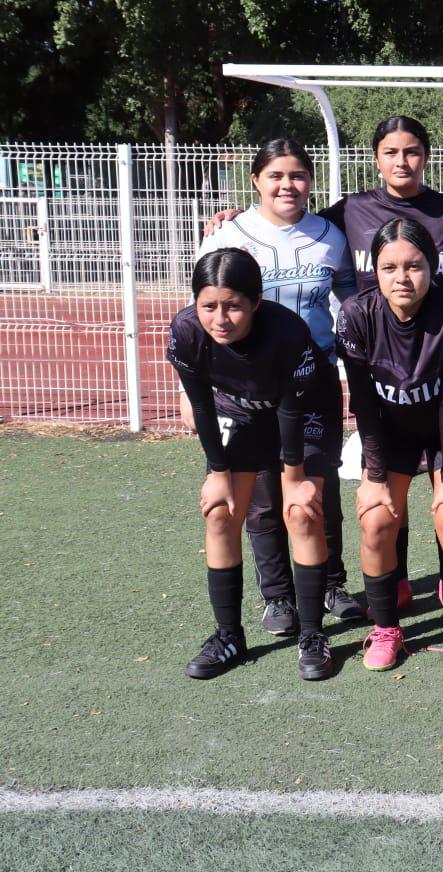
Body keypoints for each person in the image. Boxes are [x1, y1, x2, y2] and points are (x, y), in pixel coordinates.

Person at [208, 116, 443, 610]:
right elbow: (281, 222)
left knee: (413, 490)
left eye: (412, 151)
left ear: (426, 156)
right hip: (350, 369)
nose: (401, 161)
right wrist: (230, 220)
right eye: (390, 152)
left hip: (414, 365)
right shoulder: (347, 213)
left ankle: (424, 585)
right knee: (321, 493)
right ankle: (324, 591)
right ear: (375, 158)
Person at [192, 139, 360, 631]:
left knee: (317, 492)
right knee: (263, 497)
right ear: (256, 181)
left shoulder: (331, 235)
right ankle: (278, 597)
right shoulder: (229, 234)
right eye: (275, 176)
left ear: (310, 181)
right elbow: (207, 309)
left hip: (314, 382)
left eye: (297, 175)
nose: (287, 185)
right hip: (248, 388)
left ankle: (330, 584)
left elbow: (349, 301)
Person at [168, 248, 333, 681]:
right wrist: (218, 472)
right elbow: (202, 406)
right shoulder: (186, 332)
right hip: (240, 411)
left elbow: (290, 409)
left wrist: (295, 478)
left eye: (234, 306)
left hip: (304, 410)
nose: (220, 318)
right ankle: (228, 635)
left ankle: (313, 635)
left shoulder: (285, 331)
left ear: (256, 302)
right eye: (209, 306)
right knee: (220, 513)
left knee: (300, 513)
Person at [335, 220, 443, 672]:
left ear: (433, 266)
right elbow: (362, 402)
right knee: (377, 519)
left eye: (414, 266)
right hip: (390, 431)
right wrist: (375, 476)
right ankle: (385, 629)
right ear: (375, 271)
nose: (402, 277)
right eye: (390, 267)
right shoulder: (356, 315)